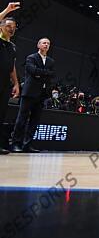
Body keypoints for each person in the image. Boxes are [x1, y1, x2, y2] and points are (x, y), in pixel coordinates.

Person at [11, 37, 54, 153]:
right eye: (44, 43)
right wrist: (45, 73)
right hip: (29, 93)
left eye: (48, 43)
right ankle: (15, 143)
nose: (46, 45)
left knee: (34, 121)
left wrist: (41, 74)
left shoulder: (51, 61)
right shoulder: (31, 57)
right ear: (38, 45)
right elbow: (32, 71)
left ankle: (27, 144)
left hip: (42, 94)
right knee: (22, 119)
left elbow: (52, 74)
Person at [0, 13, 22, 155]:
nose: (11, 29)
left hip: (4, 84)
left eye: (13, 27)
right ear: (1, 27)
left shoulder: (12, 46)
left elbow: (12, 67)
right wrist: (7, 10)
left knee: (1, 114)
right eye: (8, 26)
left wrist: (16, 84)